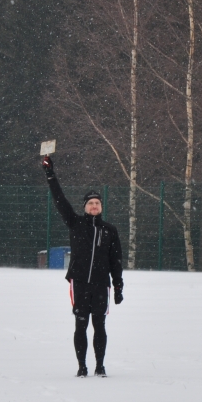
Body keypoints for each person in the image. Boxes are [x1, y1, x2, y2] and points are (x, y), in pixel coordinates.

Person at [41, 153, 124, 377]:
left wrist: (118, 285)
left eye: (97, 203)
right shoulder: (75, 223)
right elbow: (60, 199)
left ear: (101, 206)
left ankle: (100, 366)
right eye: (90, 203)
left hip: (101, 284)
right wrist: (50, 174)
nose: (94, 206)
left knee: (100, 325)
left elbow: (116, 260)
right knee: (81, 324)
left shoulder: (110, 230)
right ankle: (82, 367)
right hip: (79, 282)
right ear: (85, 207)